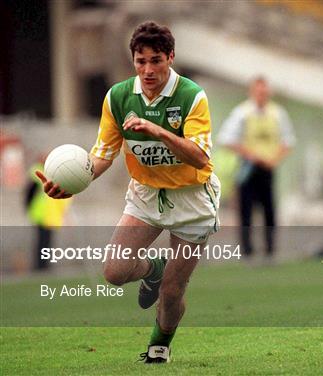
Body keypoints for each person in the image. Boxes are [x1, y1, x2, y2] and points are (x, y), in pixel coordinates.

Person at [36, 21, 220, 363]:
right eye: (140, 61)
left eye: (156, 61)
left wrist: (159, 131)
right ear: (133, 60)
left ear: (171, 58)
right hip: (146, 194)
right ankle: (154, 268)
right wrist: (72, 184)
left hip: (192, 198)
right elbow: (102, 155)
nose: (148, 70)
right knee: (115, 272)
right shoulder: (119, 97)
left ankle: (158, 347)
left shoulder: (191, 95)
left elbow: (200, 155)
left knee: (172, 291)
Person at [218, 77, 295, 260]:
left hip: (268, 168)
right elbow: (226, 139)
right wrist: (250, 155)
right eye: (259, 92)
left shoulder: (277, 113)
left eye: (265, 92)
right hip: (247, 168)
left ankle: (270, 249)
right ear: (252, 92)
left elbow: (288, 141)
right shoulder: (242, 113)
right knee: (245, 211)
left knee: (269, 210)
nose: (262, 96)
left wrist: (274, 159)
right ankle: (247, 251)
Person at [25, 157, 71, 270]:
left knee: (46, 242)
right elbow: (30, 193)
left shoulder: (54, 175)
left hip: (50, 216)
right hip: (42, 215)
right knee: (43, 242)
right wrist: (28, 208)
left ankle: (43, 266)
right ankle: (41, 266)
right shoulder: (38, 173)